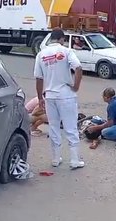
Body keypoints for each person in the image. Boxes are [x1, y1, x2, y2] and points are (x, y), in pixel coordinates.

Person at [34, 28, 84, 169]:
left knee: (54, 127)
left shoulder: (41, 54)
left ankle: (56, 159)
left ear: (51, 39)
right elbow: (78, 68)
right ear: (62, 39)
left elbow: (38, 78)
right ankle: (74, 160)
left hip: (50, 96)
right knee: (70, 128)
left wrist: (40, 98)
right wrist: (76, 86)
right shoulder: (66, 51)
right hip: (66, 95)